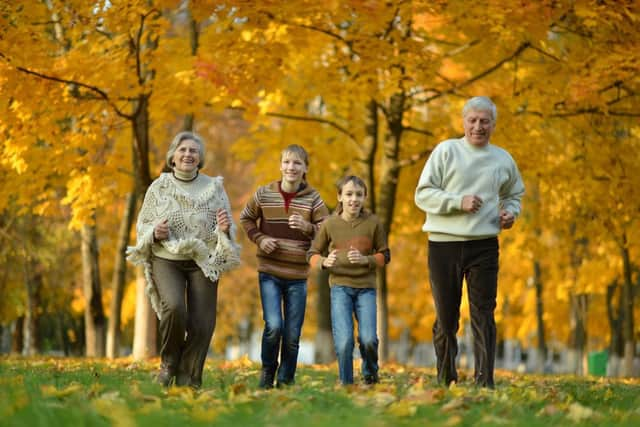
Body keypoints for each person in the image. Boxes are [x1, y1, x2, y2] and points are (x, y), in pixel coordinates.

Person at [414, 96, 525, 388]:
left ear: (493, 124)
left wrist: (509, 213)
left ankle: (484, 381)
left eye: (484, 121)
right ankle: (446, 377)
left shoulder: (503, 159)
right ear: (463, 122)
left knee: (484, 316)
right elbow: (422, 194)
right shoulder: (446, 151)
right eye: (473, 120)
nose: (478, 126)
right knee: (447, 319)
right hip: (443, 245)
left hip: (484, 245)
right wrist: (456, 202)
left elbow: (514, 195)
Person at [127, 131, 241, 388]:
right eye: (183, 150)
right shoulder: (159, 187)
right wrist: (155, 232)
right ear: (173, 157)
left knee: (203, 323)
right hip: (166, 257)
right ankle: (168, 365)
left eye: (193, 151)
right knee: (175, 308)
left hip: (203, 259)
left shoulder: (214, 188)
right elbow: (143, 227)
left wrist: (223, 229)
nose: (188, 154)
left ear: (200, 158)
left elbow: (227, 228)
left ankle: (189, 377)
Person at [240, 144, 329, 389]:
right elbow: (246, 217)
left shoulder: (314, 198)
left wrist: (308, 227)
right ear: (280, 166)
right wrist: (260, 238)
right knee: (274, 326)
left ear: (305, 169)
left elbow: (328, 231)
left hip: (298, 276)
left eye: (297, 163)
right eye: (287, 162)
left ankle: (286, 379)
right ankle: (268, 372)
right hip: (269, 272)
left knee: (292, 334)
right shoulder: (264, 193)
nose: (291, 167)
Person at [308, 175, 390, 385]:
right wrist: (324, 262)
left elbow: (385, 255)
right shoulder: (329, 224)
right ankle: (346, 383)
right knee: (344, 341)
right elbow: (312, 254)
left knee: (369, 340)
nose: (354, 199)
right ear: (340, 197)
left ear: (364, 198)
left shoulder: (373, 223)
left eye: (359, 195)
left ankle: (370, 375)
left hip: (366, 289)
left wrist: (366, 259)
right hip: (340, 288)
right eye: (349, 194)